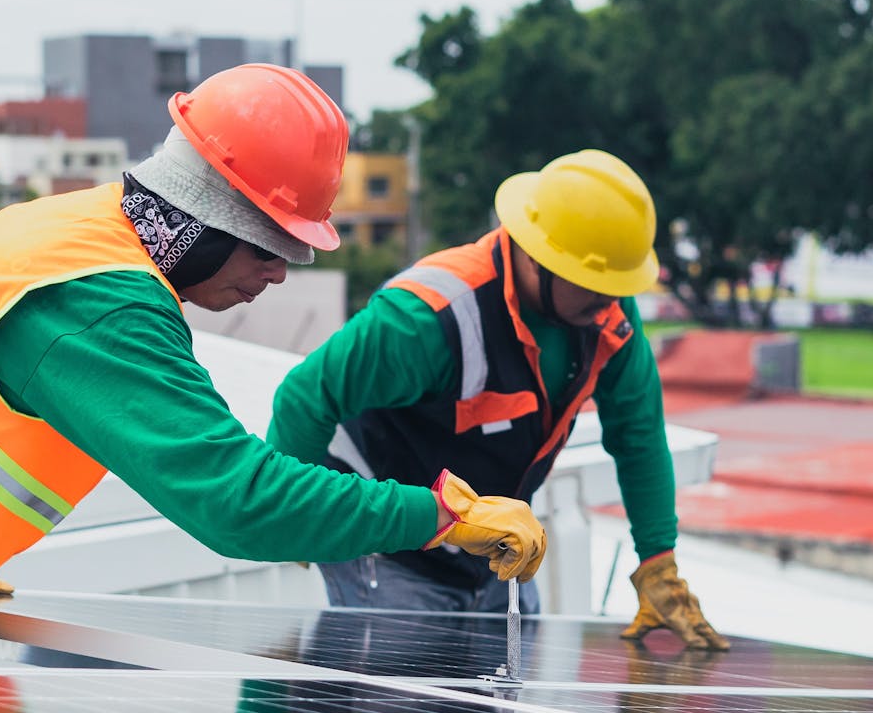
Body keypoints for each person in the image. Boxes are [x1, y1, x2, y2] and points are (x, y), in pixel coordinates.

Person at [0, 64, 545, 664]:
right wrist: (439, 514)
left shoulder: (77, 228)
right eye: (273, 245)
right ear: (209, 214)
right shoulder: (100, 305)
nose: (279, 274)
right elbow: (236, 503)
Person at [266, 149, 729, 650]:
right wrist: (298, 520)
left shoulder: (607, 319)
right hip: (390, 550)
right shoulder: (428, 316)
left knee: (499, 693)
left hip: (494, 553)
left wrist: (658, 562)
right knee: (403, 693)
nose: (611, 302)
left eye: (618, 287)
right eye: (597, 285)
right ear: (538, 257)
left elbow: (638, 437)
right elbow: (305, 397)